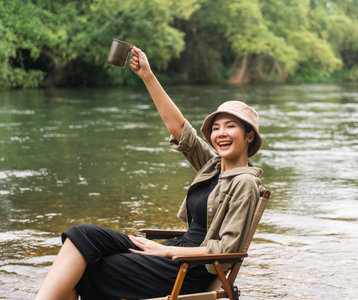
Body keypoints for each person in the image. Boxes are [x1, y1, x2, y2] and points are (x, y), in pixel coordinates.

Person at [35, 47, 264, 300]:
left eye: (230, 127)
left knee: (90, 268)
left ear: (249, 136)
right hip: (176, 252)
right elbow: (180, 130)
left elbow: (226, 249)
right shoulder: (212, 166)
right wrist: (147, 75)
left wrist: (163, 251)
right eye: (216, 127)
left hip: (190, 269)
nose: (220, 133)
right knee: (84, 236)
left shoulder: (244, 183)